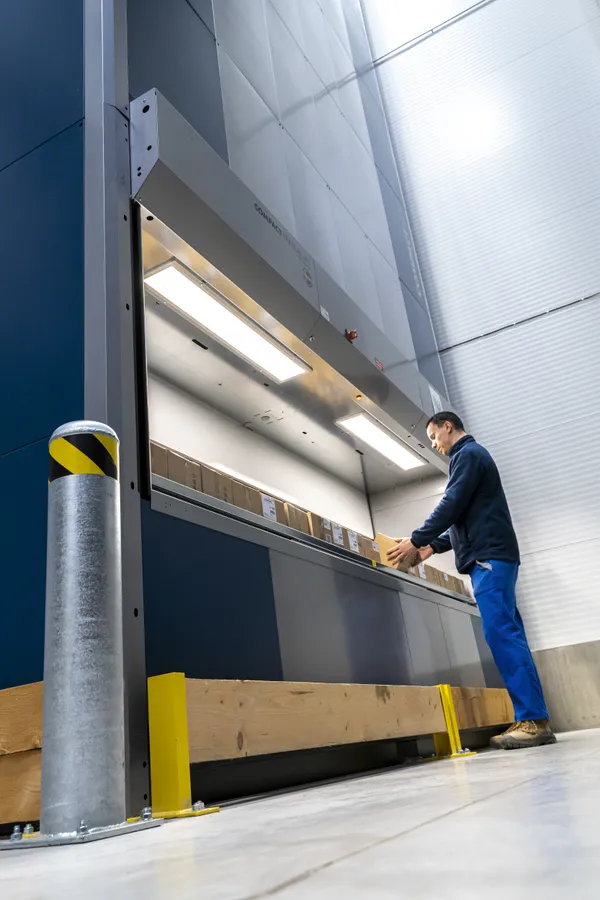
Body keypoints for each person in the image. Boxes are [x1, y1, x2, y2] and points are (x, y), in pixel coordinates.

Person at [387, 411, 555, 751]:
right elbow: (464, 518)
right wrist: (433, 546)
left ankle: (533, 721)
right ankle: (534, 718)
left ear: (448, 427)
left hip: (489, 559)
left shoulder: (468, 455)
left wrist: (417, 539)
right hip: (491, 557)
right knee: (509, 634)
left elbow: (451, 504)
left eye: (434, 436)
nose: (434, 444)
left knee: (501, 634)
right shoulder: (470, 459)